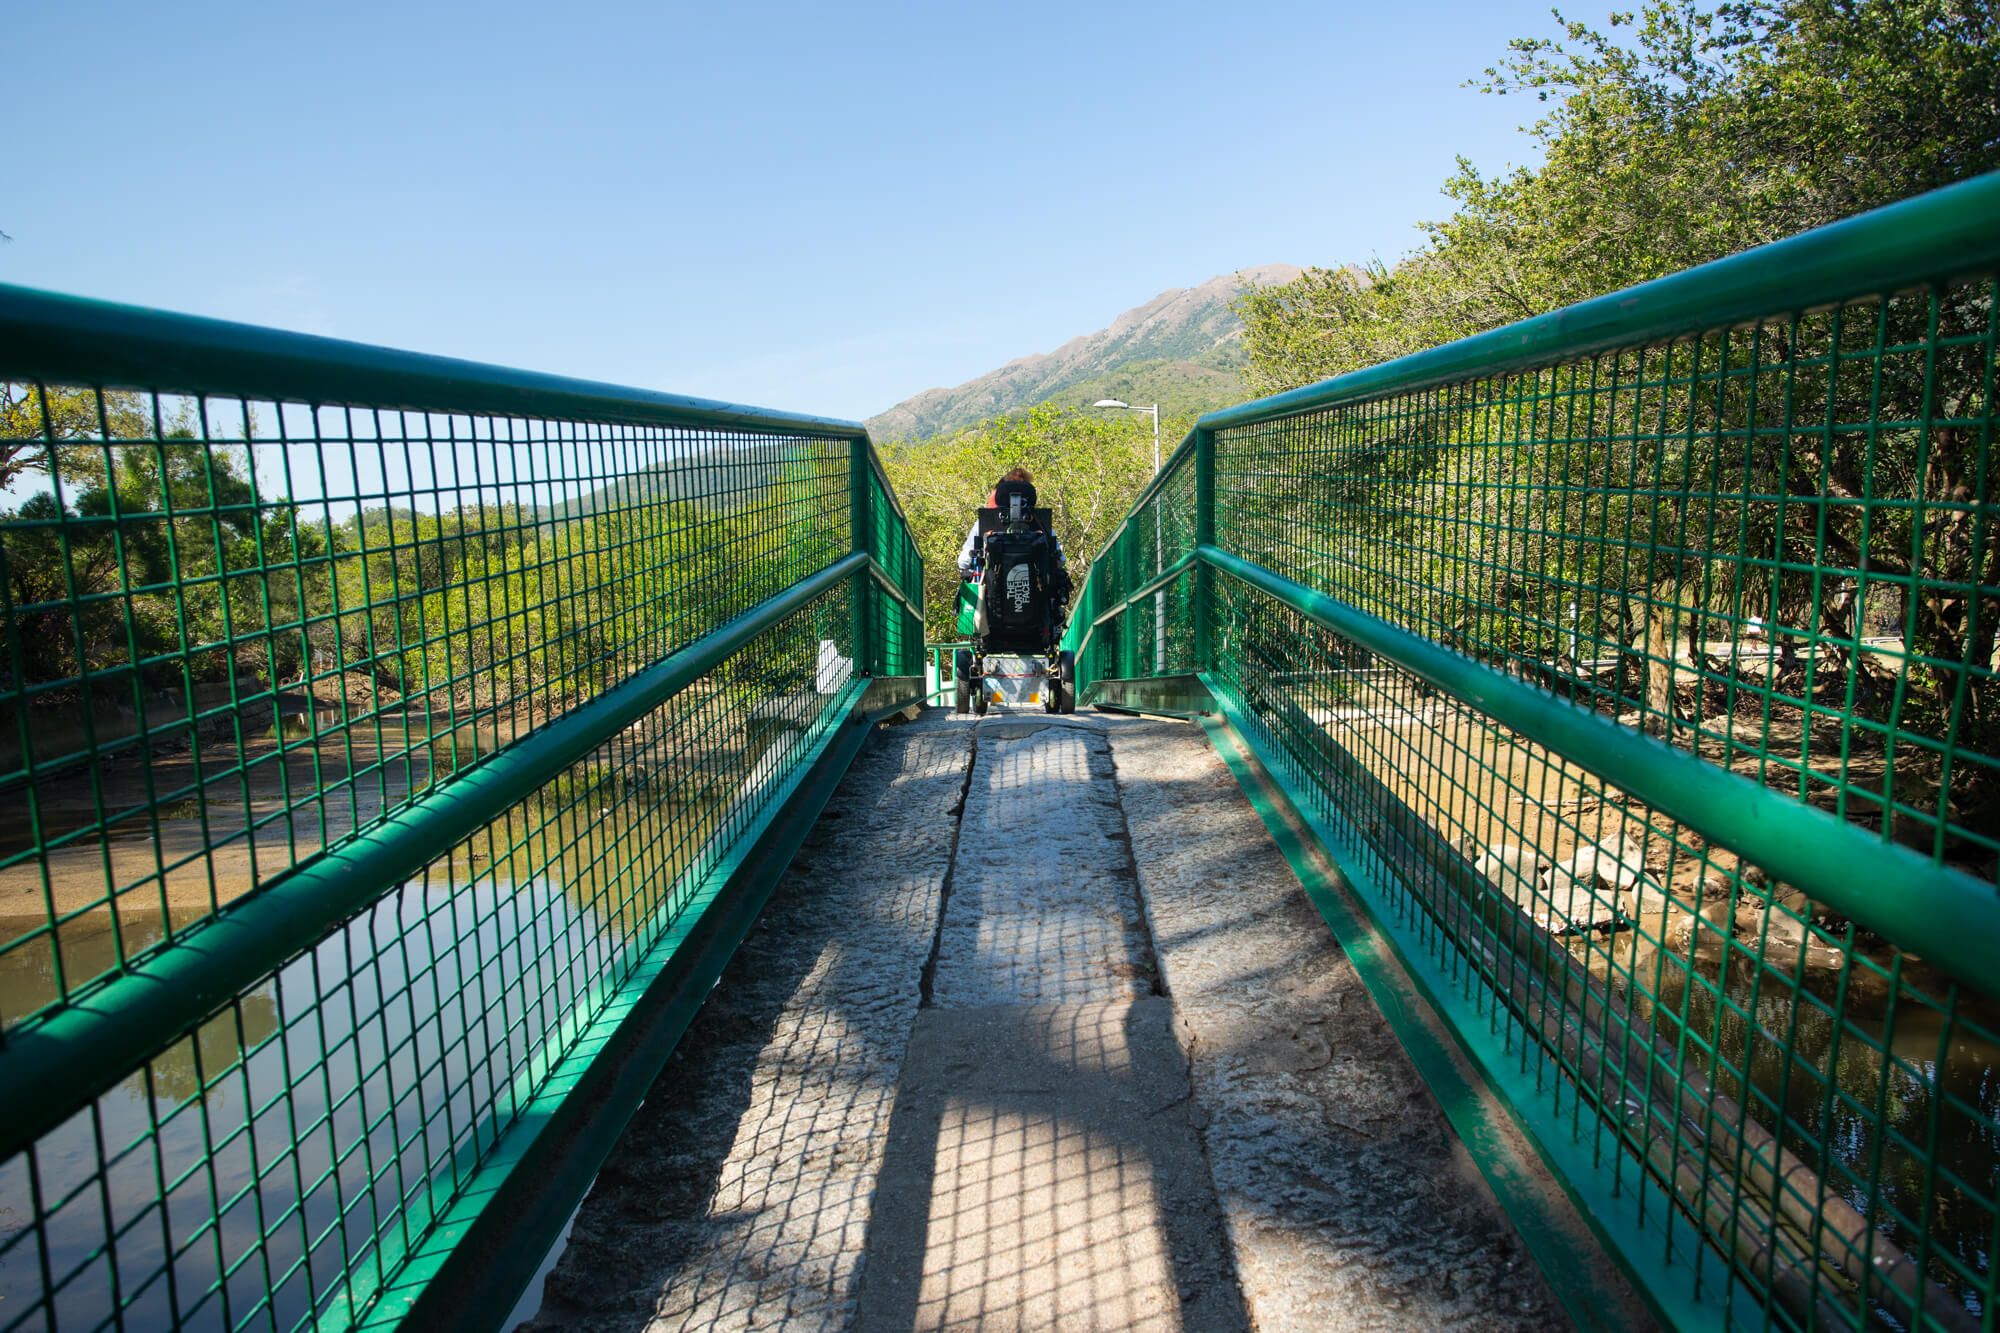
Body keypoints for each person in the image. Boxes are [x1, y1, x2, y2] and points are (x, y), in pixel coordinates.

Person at [957, 467, 1065, 576]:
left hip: (994, 588)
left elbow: (963, 561)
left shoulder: (986, 521)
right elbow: (1061, 560)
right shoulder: (1040, 522)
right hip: (1037, 590)